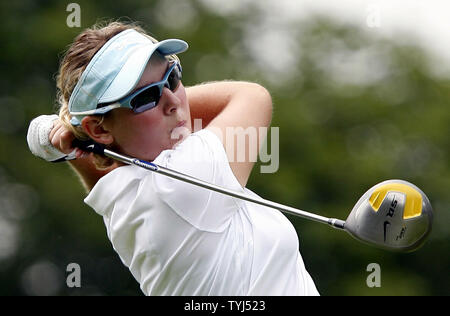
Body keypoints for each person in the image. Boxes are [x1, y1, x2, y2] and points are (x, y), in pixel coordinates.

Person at [27, 21, 319, 296]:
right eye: (145, 98)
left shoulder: (122, 188)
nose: (173, 101)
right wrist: (67, 130)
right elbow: (252, 96)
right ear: (99, 128)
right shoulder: (185, 181)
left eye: (173, 77)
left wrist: (68, 134)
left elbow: (89, 157)